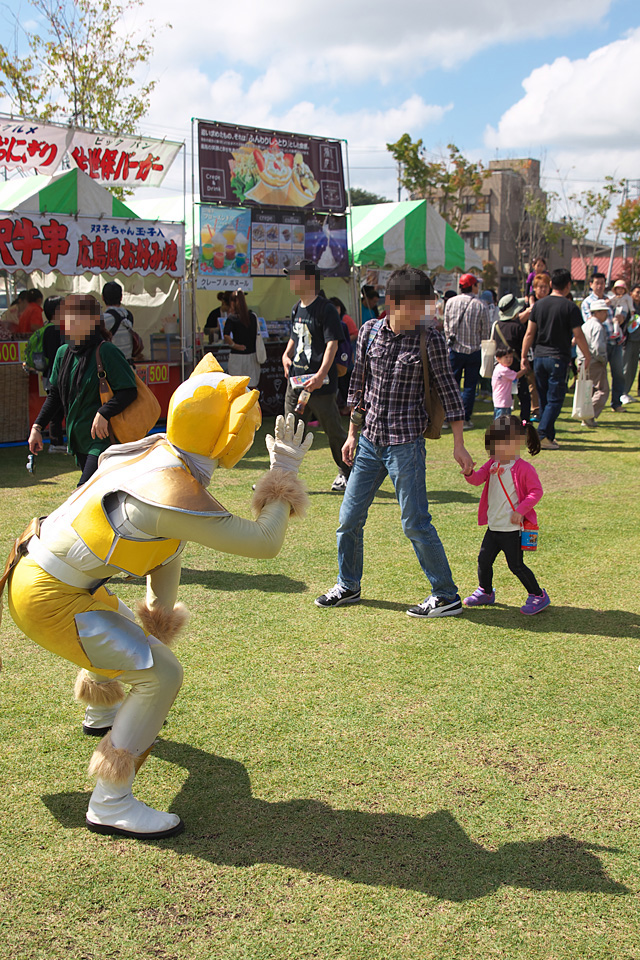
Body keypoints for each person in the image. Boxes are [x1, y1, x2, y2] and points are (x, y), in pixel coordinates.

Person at [3, 354, 312, 840]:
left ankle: (102, 711)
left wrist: (159, 612)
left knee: (120, 622)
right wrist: (284, 474)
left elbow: (161, 550)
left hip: (48, 576)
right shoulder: (169, 488)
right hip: (49, 596)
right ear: (228, 436)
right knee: (164, 674)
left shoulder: (153, 453)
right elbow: (264, 543)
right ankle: (111, 802)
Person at [315, 266, 474, 619]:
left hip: (406, 443)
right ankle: (348, 585)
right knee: (349, 518)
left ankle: (445, 594)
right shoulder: (371, 332)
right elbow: (359, 387)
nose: (424, 314)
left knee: (415, 522)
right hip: (370, 440)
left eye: (427, 306)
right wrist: (353, 435)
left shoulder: (429, 338)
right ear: (394, 303)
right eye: (417, 307)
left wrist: (459, 444)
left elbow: (449, 392)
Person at [28, 294, 137, 485]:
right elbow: (54, 395)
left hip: (103, 440)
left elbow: (129, 390)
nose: (69, 323)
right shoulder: (63, 353)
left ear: (93, 321)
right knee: (101, 495)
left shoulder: (106, 351)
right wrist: (37, 427)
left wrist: (104, 412)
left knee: (82, 491)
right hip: (79, 440)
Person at [461, 415, 549, 615]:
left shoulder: (524, 468)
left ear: (517, 442)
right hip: (494, 526)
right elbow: (477, 480)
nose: (496, 448)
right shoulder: (492, 464)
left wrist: (520, 511)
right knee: (484, 560)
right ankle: (485, 591)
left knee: (516, 565)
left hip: (513, 529)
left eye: (501, 443)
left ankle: (538, 595)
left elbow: (536, 492)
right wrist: (468, 472)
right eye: (493, 443)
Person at [282, 259, 350, 493]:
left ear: (309, 280)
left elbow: (332, 344)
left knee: (333, 431)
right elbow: (295, 336)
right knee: (289, 429)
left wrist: (321, 375)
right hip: (296, 382)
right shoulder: (296, 307)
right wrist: (285, 354)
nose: (290, 280)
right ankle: (283, 476)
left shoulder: (326, 309)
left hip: (320, 385)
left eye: (295, 276)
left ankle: (347, 474)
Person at [520, 268, 591, 450]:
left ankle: (548, 437)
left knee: (544, 399)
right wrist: (587, 354)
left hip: (540, 357)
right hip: (558, 357)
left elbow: (529, 333)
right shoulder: (570, 308)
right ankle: (542, 434)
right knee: (555, 400)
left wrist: (523, 355)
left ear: (551, 284)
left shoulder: (539, 306)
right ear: (568, 286)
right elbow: (579, 335)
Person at [444, 272, 490, 428]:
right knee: (470, 387)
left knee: (451, 386)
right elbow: (486, 332)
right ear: (473, 286)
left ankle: (448, 417)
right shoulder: (481, 305)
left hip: (455, 349)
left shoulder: (450, 302)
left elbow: (446, 326)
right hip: (474, 350)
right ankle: (464, 418)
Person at [581, 273, 624, 412]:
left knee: (618, 373)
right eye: (597, 283)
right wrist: (601, 307)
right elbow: (589, 321)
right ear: (591, 284)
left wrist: (621, 318)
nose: (600, 286)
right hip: (599, 344)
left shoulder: (610, 299)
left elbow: (619, 316)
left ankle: (616, 403)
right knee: (597, 377)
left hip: (614, 342)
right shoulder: (587, 302)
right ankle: (592, 405)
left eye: (602, 283)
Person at [493, 293, 531, 421]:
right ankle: (524, 422)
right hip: (516, 368)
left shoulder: (496, 325)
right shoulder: (518, 327)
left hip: (500, 368)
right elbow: (525, 347)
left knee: (502, 398)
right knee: (524, 398)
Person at [576, 298, 609, 427]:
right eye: (604, 312)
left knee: (588, 391)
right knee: (602, 390)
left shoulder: (585, 325)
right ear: (598, 312)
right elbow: (597, 348)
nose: (606, 315)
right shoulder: (598, 327)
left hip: (582, 361)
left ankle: (586, 415)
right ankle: (589, 415)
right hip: (594, 362)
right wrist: (603, 360)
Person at [224, 289, 260, 387]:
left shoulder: (232, 318)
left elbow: (226, 335)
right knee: (251, 386)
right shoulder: (253, 316)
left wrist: (234, 345)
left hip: (237, 356)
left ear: (232, 302)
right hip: (252, 355)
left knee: (236, 387)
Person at [102, 281, 135, 363]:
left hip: (113, 366)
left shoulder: (105, 319)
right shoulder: (128, 315)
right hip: (129, 365)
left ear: (102, 297)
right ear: (121, 297)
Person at [492, 346, 525, 418]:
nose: (509, 359)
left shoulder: (498, 367)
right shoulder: (504, 370)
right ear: (498, 358)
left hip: (500, 400)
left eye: (511, 357)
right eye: (506, 357)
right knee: (503, 422)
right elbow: (517, 375)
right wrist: (524, 369)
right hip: (503, 401)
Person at [621, 283, 640, 402]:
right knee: (625, 368)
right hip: (627, 340)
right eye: (637, 292)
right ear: (631, 293)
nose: (639, 295)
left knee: (633, 368)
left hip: (638, 341)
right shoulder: (627, 305)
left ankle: (626, 392)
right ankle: (621, 393)